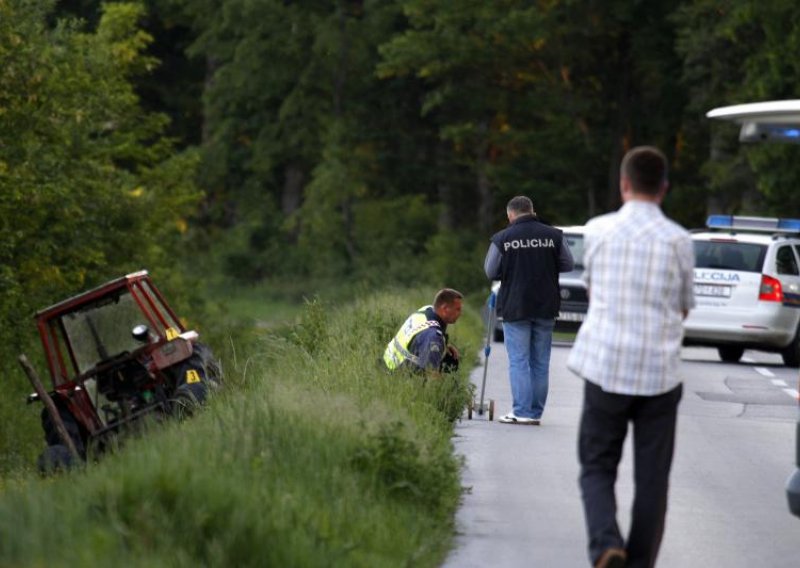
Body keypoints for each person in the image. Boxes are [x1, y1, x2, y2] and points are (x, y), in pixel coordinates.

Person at [567, 146, 695, 568]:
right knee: (653, 479)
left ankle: (606, 545)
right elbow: (684, 306)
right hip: (659, 374)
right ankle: (639, 562)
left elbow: (591, 288)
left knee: (597, 466)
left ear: (624, 184)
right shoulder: (679, 239)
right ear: (663, 188)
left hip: (606, 365)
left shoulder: (597, 231)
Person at [484, 196, 574, 425]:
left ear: (510, 215)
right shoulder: (554, 235)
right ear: (532, 210)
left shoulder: (502, 238)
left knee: (519, 361)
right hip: (546, 305)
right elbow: (568, 264)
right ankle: (534, 413)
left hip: (516, 305)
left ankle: (522, 411)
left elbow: (490, 271)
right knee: (541, 363)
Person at [383, 288, 463, 374]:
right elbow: (431, 375)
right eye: (457, 309)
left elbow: (421, 334)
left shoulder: (426, 310)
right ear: (444, 308)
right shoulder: (433, 336)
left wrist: (444, 345)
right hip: (397, 374)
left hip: (388, 361)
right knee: (448, 364)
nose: (460, 313)